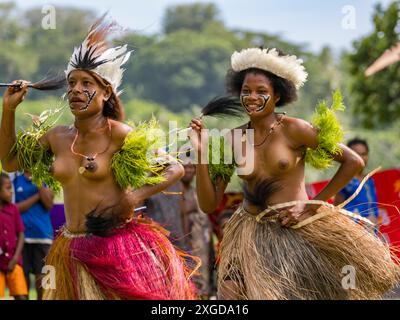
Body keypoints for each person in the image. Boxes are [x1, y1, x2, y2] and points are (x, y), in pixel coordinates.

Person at [0, 16, 197, 300]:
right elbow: (10, 162)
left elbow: (175, 168)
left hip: (115, 248)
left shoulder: (120, 134)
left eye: (86, 83)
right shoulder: (57, 137)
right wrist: (8, 111)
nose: (76, 90)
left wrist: (131, 199)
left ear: (106, 92)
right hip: (70, 249)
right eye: (71, 83)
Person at [189, 47, 400, 299]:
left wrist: (312, 205)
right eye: (246, 91)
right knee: (230, 293)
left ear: (277, 95)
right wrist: (201, 152)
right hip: (251, 234)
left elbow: (352, 161)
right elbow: (208, 204)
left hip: (296, 228)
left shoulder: (295, 129)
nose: (252, 97)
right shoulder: (233, 139)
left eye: (261, 91)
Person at [13, 170, 54, 300]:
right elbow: (15, 209)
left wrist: (39, 182)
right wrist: (36, 197)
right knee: (22, 277)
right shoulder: (16, 181)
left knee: (43, 276)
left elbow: (49, 205)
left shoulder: (45, 179)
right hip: (21, 237)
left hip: (43, 235)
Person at [180, 162, 212, 298]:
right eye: (185, 167)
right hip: (179, 243)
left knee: (200, 281)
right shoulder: (172, 192)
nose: (188, 170)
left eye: (191, 167)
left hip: (199, 245)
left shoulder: (198, 193)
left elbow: (206, 221)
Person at [334, 138, 379, 226]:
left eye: (364, 154)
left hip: (372, 230)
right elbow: (337, 209)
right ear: (349, 156)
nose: (361, 158)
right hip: (353, 230)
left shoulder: (369, 180)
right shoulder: (343, 180)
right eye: (357, 154)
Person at [0, 173, 28, 300]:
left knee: (21, 295)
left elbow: (21, 234)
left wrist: (16, 257)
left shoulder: (13, 209)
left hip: (13, 260)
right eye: (7, 188)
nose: (11, 191)